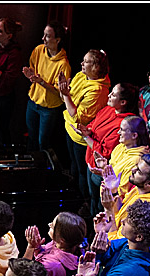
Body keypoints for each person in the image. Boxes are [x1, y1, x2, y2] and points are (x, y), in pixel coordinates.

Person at [76, 83, 140, 218]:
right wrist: (88, 130)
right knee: (92, 197)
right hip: (92, 163)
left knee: (102, 206)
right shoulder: (108, 109)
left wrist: (86, 137)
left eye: (113, 94)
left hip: (102, 173)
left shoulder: (124, 124)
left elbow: (104, 153)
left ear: (123, 102)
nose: (109, 95)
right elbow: (94, 124)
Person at [59, 50, 112, 212]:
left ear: (95, 67)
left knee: (82, 172)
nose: (81, 64)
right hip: (70, 128)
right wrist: (64, 93)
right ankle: (74, 193)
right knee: (73, 166)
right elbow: (66, 99)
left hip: (80, 137)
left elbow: (78, 117)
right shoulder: (82, 76)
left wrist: (66, 95)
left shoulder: (97, 90)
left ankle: (84, 203)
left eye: (86, 61)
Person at [89, 115, 149, 222]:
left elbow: (122, 192)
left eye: (122, 130)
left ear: (134, 135)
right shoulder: (120, 147)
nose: (118, 132)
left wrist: (109, 185)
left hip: (115, 206)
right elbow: (112, 173)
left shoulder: (136, 160)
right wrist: (104, 168)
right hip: (106, 195)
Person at [23, 23, 71, 152]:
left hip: (49, 109)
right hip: (33, 102)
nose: (43, 38)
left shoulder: (63, 64)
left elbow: (60, 94)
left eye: (48, 36)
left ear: (57, 40)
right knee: (31, 138)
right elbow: (33, 70)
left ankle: (43, 164)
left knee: (43, 142)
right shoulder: (39, 50)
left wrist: (41, 82)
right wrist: (31, 75)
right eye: (44, 35)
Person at [101, 153, 150, 240]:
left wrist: (108, 210)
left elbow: (118, 241)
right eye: (136, 166)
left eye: (139, 171)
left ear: (149, 184)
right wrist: (114, 191)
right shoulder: (142, 189)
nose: (133, 170)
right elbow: (120, 209)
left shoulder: (146, 211)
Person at [22, 212, 85, 276]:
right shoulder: (63, 245)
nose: (49, 224)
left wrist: (30, 247)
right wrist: (37, 247)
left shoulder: (50, 267)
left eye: (53, 226)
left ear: (62, 240)